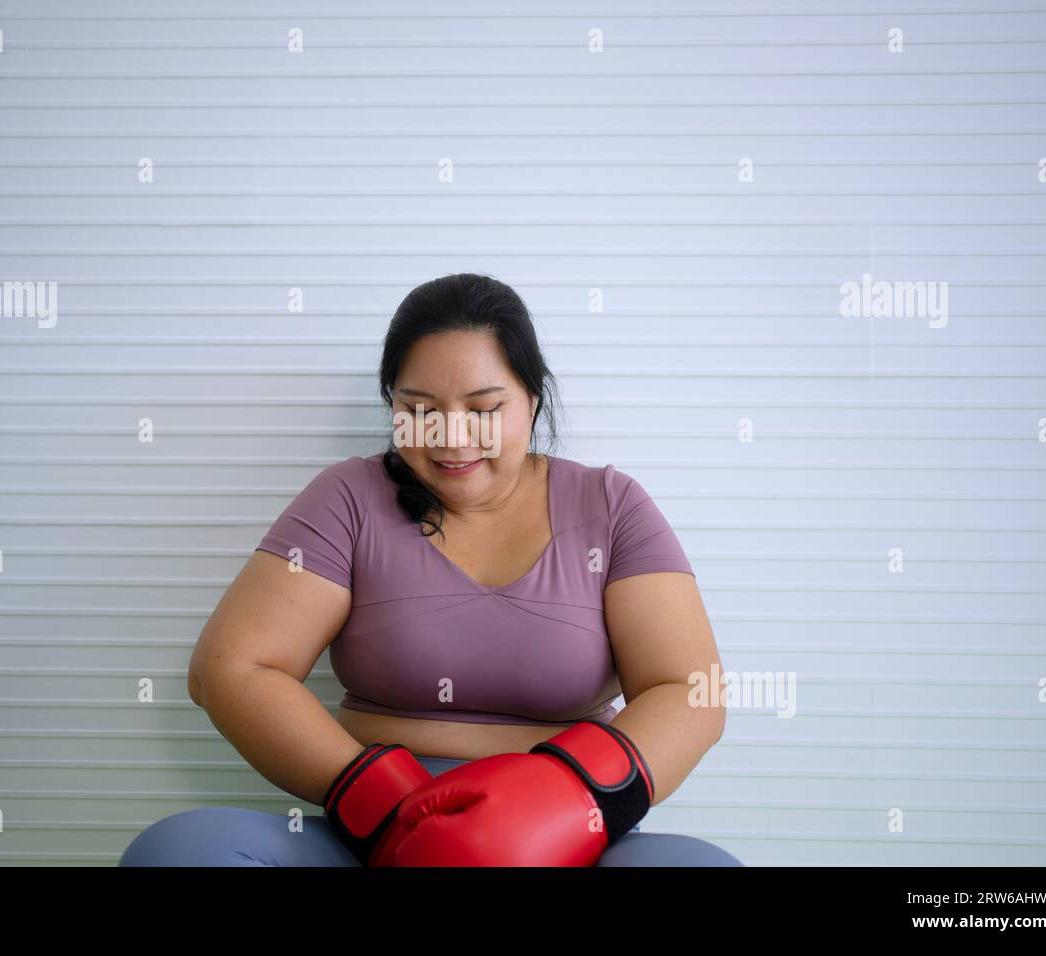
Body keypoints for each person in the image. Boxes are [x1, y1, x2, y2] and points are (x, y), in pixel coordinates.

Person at [119, 273, 742, 867]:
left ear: (532, 398)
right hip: (378, 833)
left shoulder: (610, 505)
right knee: (179, 850)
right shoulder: (349, 498)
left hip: (566, 832)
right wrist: (386, 807)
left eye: (483, 407)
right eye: (419, 408)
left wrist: (560, 799)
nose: (451, 436)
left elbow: (691, 690)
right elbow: (229, 670)